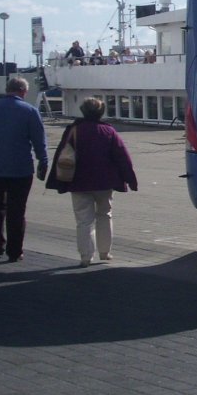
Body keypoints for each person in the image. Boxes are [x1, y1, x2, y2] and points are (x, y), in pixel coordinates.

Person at [45, 97, 138, 267]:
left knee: (83, 220)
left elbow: (61, 154)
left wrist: (55, 180)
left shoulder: (74, 130)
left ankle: (86, 256)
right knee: (105, 215)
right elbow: (122, 157)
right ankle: (105, 252)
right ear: (101, 112)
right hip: (104, 182)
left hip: (78, 181)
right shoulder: (108, 131)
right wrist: (131, 179)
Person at [0, 76, 49, 262]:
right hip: (21, 168)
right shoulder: (30, 111)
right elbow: (39, 141)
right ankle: (15, 251)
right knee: (17, 209)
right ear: (23, 91)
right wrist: (43, 161)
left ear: (8, 89)